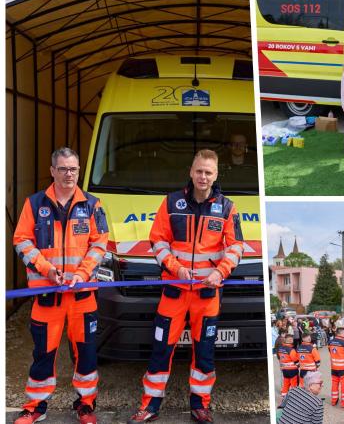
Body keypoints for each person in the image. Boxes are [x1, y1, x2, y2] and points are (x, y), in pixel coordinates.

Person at [128, 149, 243, 424]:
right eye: (199, 171)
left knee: (204, 353)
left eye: (209, 172)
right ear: (191, 172)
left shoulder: (227, 207)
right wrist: (175, 267)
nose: (203, 176)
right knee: (160, 351)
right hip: (174, 292)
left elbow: (236, 246)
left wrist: (220, 272)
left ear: (216, 176)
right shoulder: (171, 203)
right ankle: (150, 406)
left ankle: (200, 406)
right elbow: (157, 242)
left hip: (207, 295)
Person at [12, 148, 109, 424]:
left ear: (79, 171)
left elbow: (100, 244)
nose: (69, 174)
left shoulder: (92, 204)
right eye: (64, 168)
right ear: (52, 170)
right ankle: (35, 406)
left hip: (82, 295)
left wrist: (81, 273)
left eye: (74, 169)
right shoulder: (34, 204)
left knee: (86, 354)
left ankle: (86, 405)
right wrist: (47, 269)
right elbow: (21, 241)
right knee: (43, 352)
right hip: (47, 294)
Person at [328, 327, 344, 407]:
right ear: (340, 333)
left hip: (334, 367)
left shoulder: (330, 342)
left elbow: (330, 352)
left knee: (334, 384)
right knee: (343, 385)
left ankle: (334, 401)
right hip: (343, 368)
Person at [277, 334, 301, 399]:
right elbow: (295, 360)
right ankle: (294, 398)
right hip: (292, 370)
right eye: (292, 339)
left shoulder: (280, 348)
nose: (292, 340)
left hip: (285, 370)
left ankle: (284, 397)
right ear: (290, 340)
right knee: (294, 385)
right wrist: (299, 365)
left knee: (286, 384)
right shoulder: (291, 350)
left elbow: (280, 357)